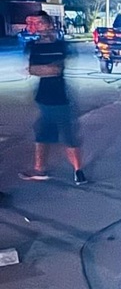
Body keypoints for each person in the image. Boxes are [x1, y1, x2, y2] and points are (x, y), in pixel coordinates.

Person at [19, 12, 87, 185]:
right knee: (42, 134)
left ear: (49, 25)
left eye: (41, 23)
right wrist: (43, 69)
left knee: (68, 136)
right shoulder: (34, 46)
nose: (38, 26)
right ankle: (40, 169)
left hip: (60, 98)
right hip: (43, 98)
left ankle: (79, 171)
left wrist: (42, 69)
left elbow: (56, 69)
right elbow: (33, 69)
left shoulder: (60, 46)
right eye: (36, 23)